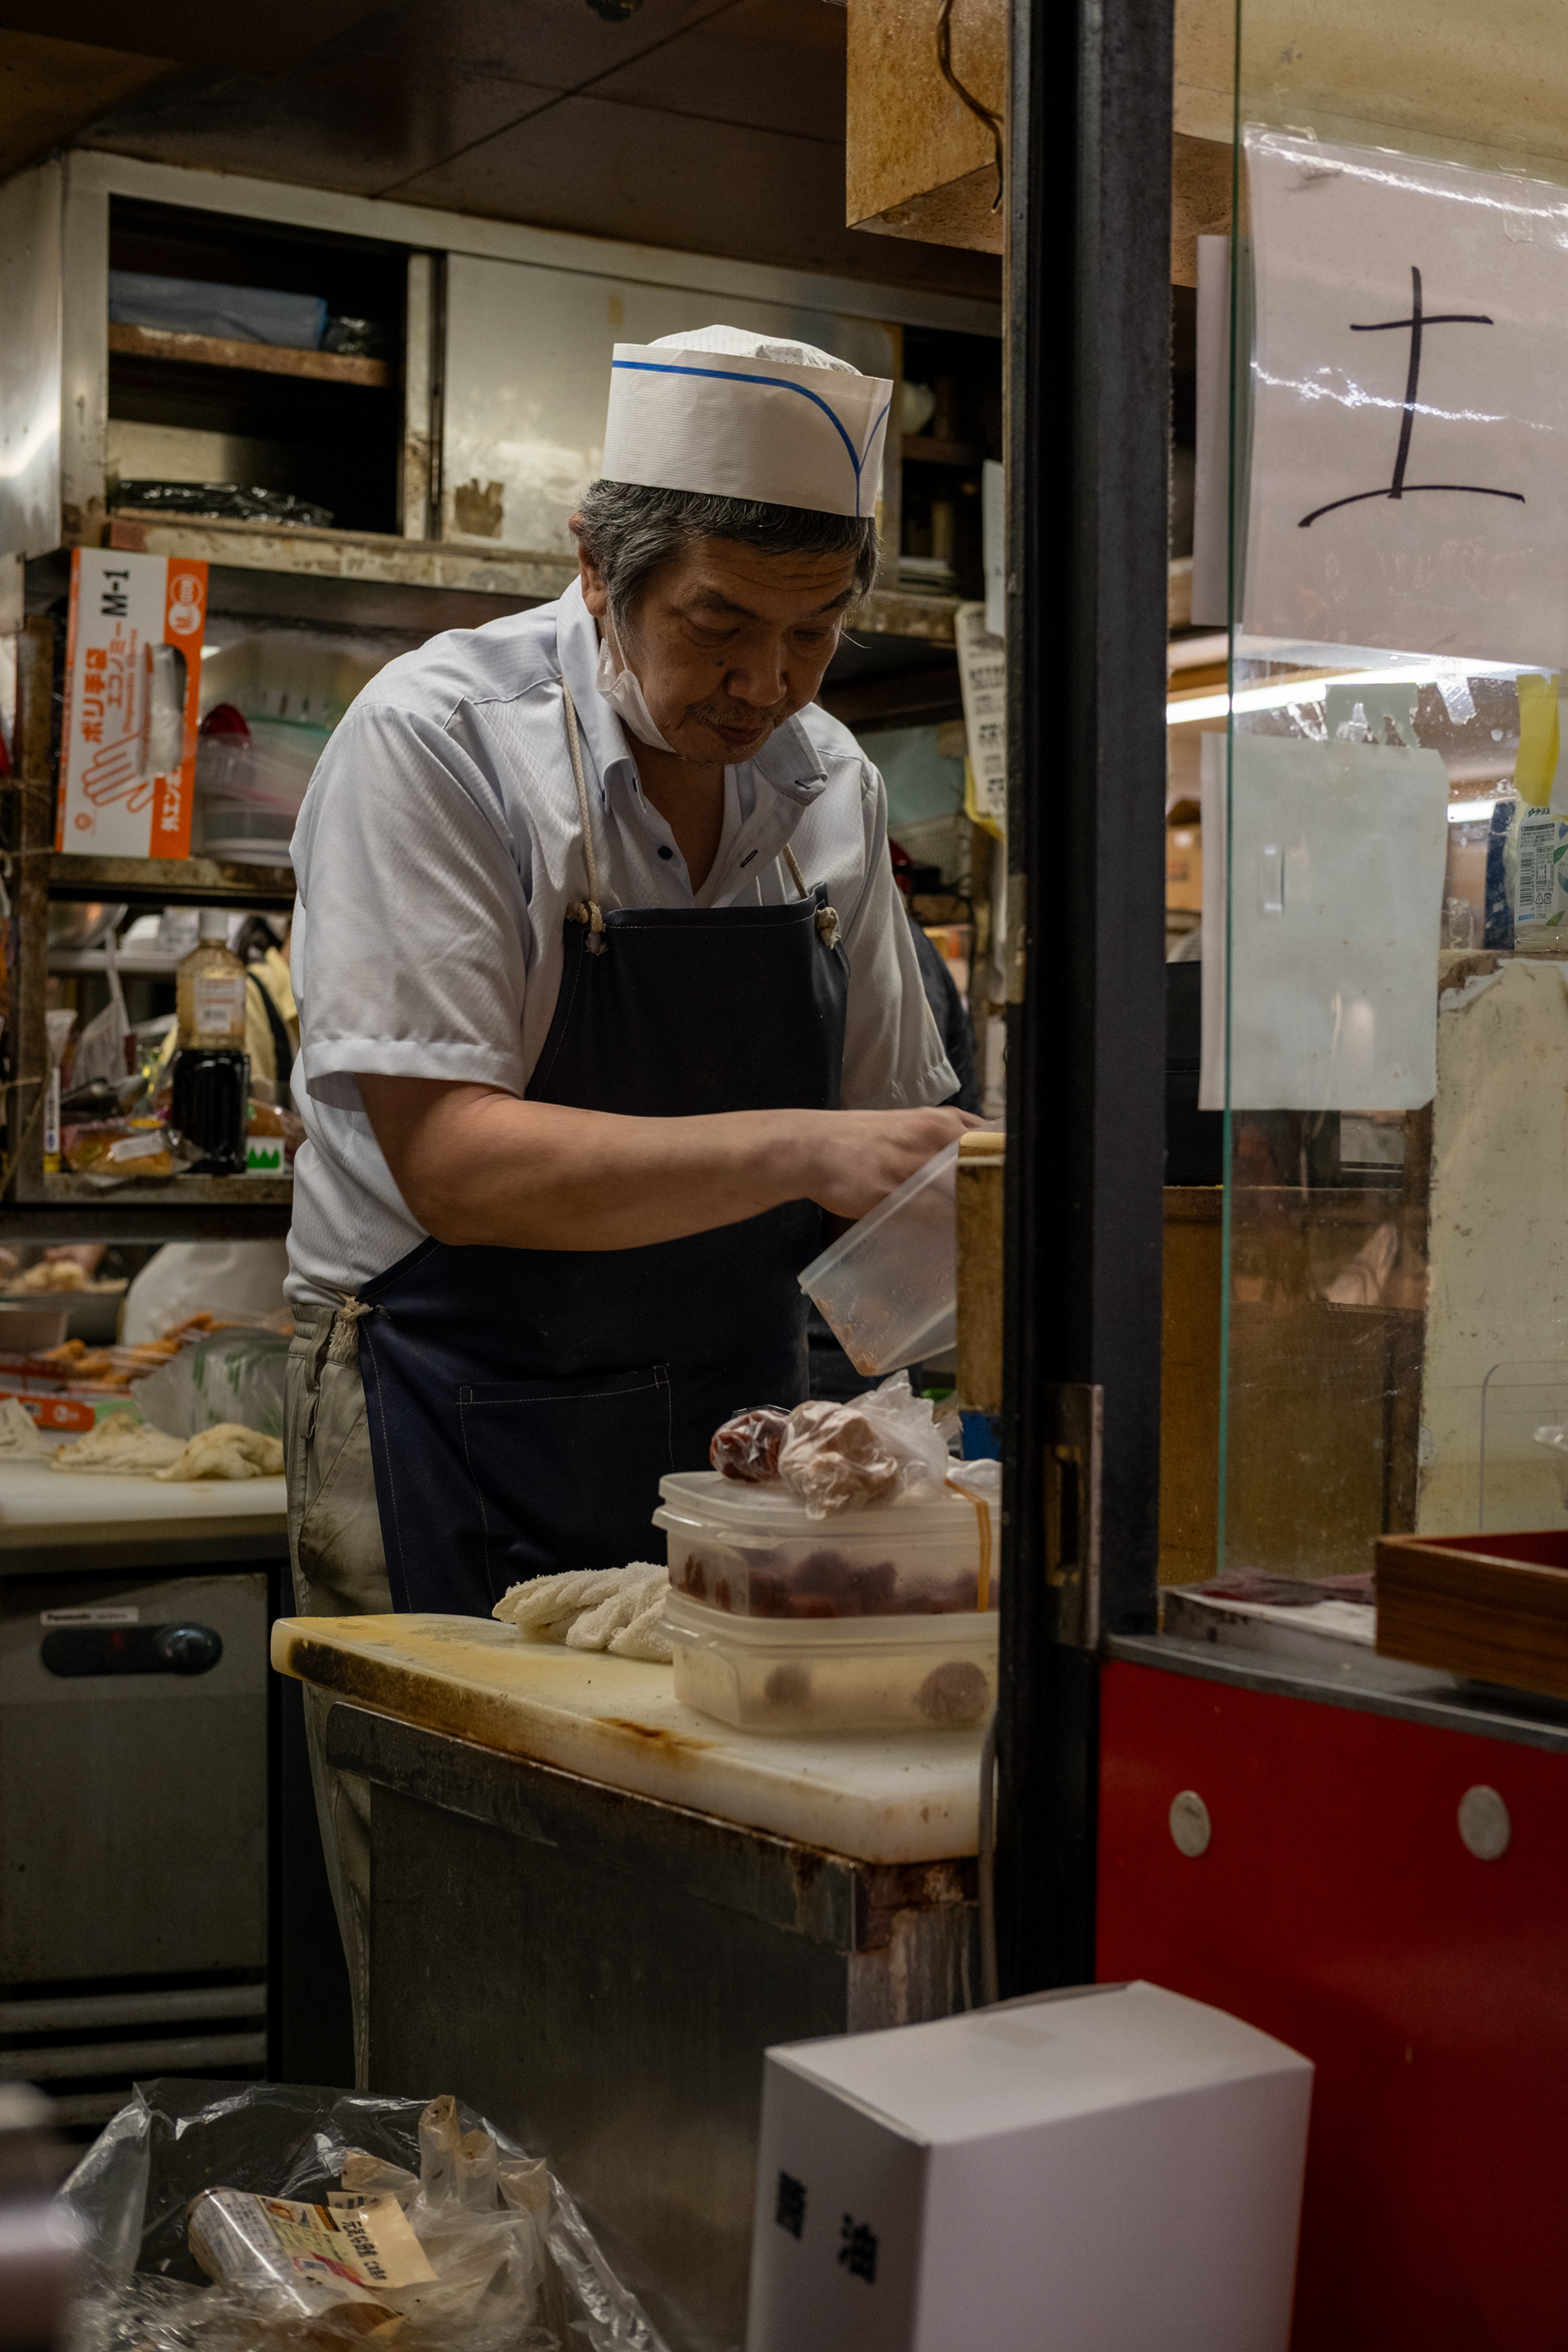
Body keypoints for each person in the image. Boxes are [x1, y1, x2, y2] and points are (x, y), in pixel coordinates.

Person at [283, 325, 973, 2069]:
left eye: (814, 634)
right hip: (449, 1387)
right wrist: (801, 1151)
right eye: (720, 625)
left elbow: (900, 1138)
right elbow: (456, 1162)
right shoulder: (442, 744)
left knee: (705, 1946)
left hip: (732, 1426)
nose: (767, 683)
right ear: (599, 568)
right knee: (473, 1919)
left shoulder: (826, 782)